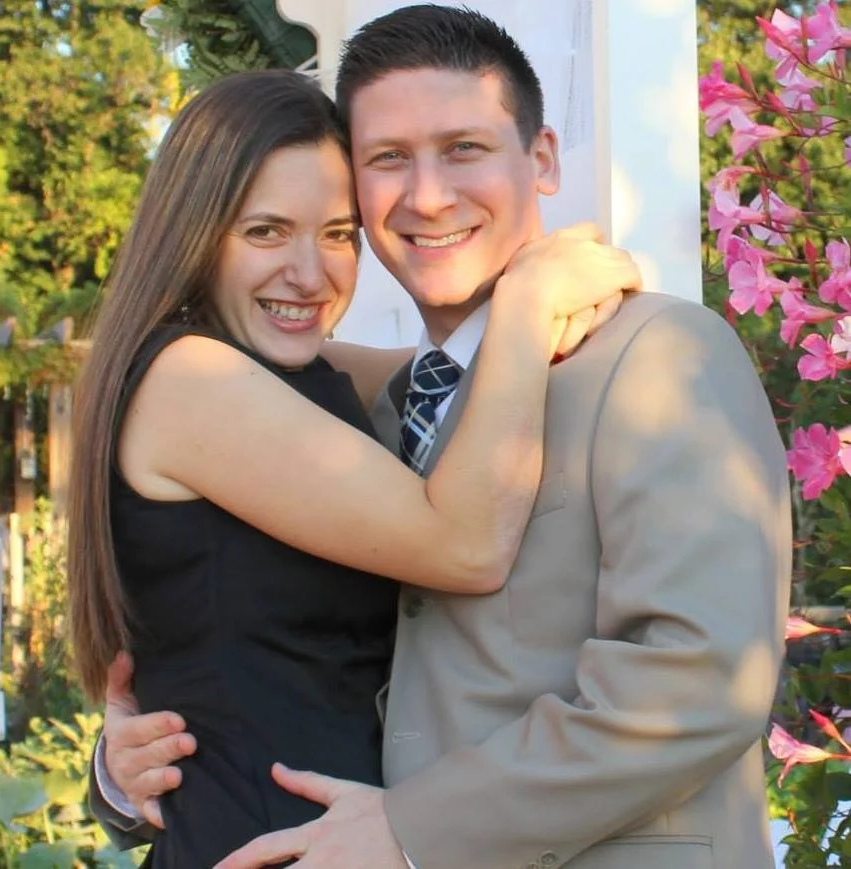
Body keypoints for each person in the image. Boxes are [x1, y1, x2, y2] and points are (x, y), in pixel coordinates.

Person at [93, 7, 792, 869]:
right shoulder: (361, 409)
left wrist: (412, 829)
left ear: (540, 160)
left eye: (463, 147)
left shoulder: (661, 358)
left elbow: (700, 681)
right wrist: (123, 769)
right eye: (388, 159)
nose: (426, 195)